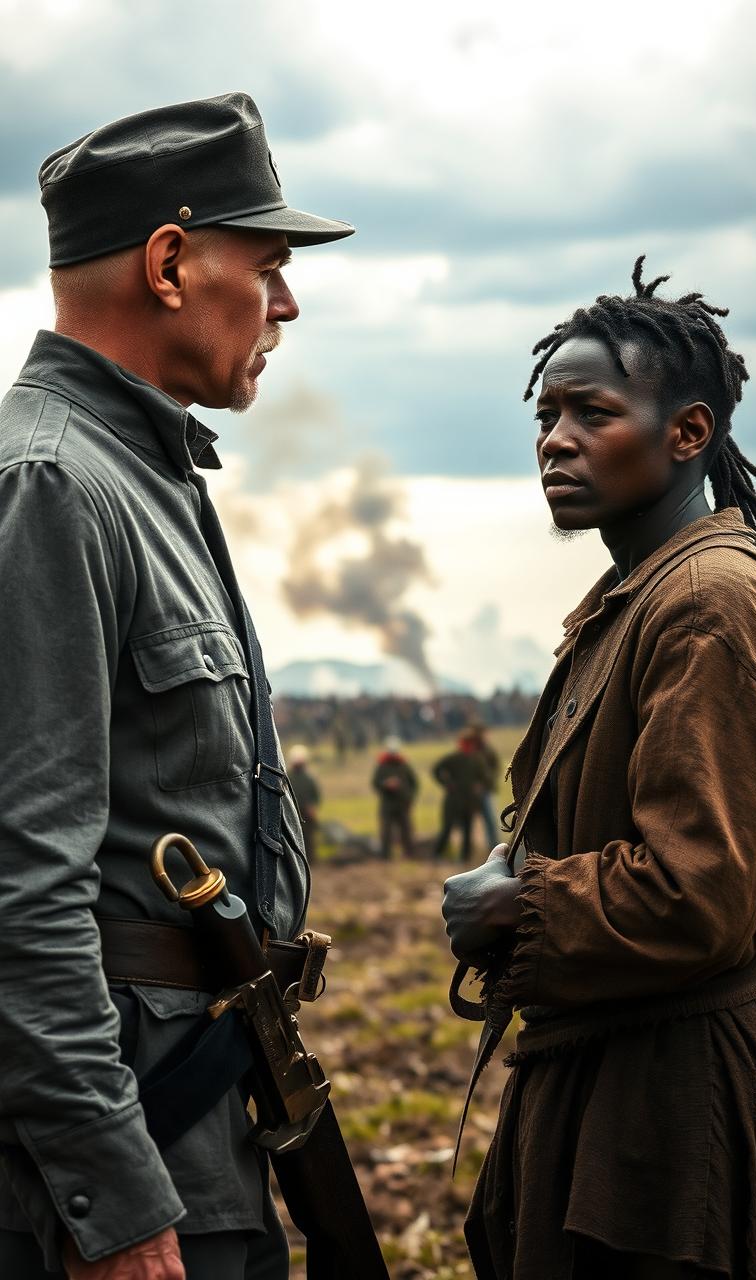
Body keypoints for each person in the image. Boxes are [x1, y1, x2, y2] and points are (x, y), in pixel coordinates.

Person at [0, 93, 353, 1280]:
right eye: (267, 264)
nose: (287, 303)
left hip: (197, 1116)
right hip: (125, 1176)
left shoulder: (142, 472)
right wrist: (114, 1198)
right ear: (167, 263)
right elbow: (19, 888)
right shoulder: (51, 485)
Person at [442, 257, 756, 1279]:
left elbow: (696, 889)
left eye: (590, 412)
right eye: (546, 415)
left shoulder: (707, 600)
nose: (555, 440)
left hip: (675, 1107)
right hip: (619, 1081)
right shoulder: (644, 591)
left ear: (686, 432)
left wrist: (512, 902)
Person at [433, 731, 490, 862]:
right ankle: (437, 854)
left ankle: (465, 858)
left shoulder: (477, 760)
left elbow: (485, 778)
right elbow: (436, 770)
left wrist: (480, 786)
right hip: (453, 800)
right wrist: (446, 784)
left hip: (469, 801)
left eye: (469, 744)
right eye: (465, 744)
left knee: (468, 829)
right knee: (447, 828)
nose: (467, 747)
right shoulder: (453, 758)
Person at [372, 737, 419, 859]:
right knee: (386, 831)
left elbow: (414, 783)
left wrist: (410, 797)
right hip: (388, 804)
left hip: (403, 803)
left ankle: (409, 853)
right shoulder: (382, 766)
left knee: (406, 830)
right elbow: (375, 783)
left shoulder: (404, 765)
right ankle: (385, 855)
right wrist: (386, 785)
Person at [467, 721, 500, 848]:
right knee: (467, 821)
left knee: (490, 820)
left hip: (485, 790)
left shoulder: (488, 750)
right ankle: (469, 848)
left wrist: (484, 784)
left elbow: (495, 768)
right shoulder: (469, 749)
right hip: (470, 791)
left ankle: (493, 846)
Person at [287, 744, 322, 863]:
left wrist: (313, 806)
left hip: (306, 812)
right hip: (292, 812)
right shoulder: (288, 776)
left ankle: (310, 860)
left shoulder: (309, 778)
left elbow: (316, 795)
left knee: (308, 836)